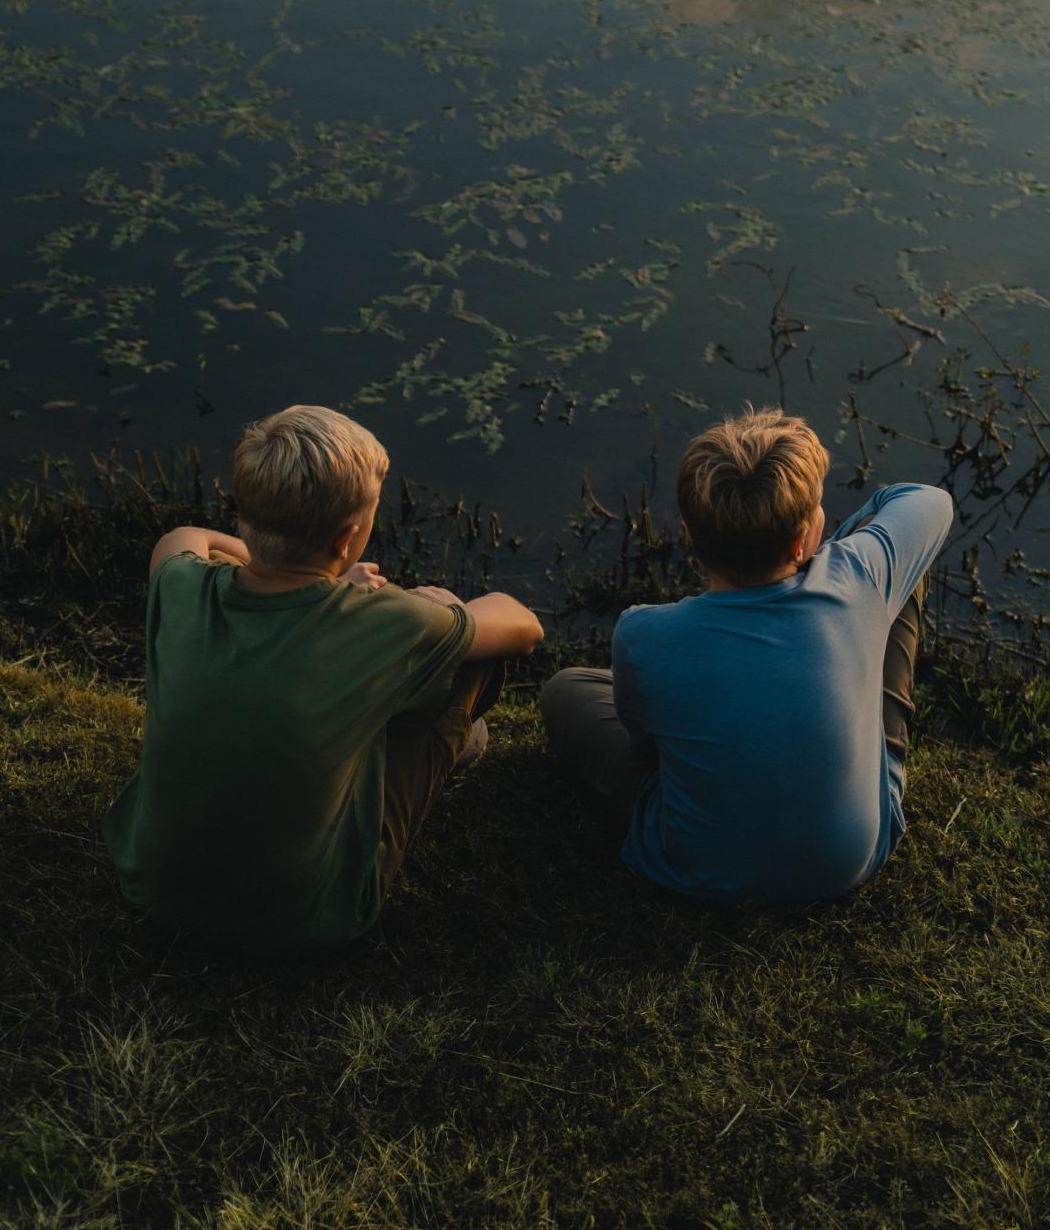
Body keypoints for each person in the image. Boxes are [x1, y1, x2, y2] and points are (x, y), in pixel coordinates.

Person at [103, 404, 543, 951]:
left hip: (154, 888)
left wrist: (280, 562)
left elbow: (185, 535)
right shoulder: (386, 623)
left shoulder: (182, 587)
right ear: (347, 537)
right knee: (452, 616)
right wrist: (381, 596)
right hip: (309, 916)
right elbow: (524, 628)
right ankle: (455, 740)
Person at [540, 405, 952, 904]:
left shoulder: (643, 633)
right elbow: (929, 502)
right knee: (902, 571)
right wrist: (835, 555)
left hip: (696, 867)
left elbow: (640, 736)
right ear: (802, 540)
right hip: (849, 860)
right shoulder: (856, 580)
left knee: (566, 689)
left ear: (692, 537)